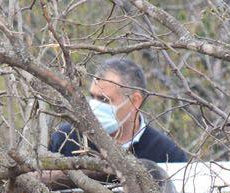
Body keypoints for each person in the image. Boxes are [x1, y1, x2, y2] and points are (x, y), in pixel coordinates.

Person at [49, 57, 190, 164]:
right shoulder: (66, 138)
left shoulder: (168, 155)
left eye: (104, 100)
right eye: (92, 96)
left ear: (135, 101)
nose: (94, 106)